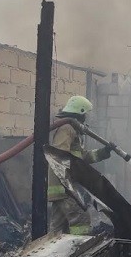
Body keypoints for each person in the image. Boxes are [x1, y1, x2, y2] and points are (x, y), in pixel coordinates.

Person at [47, 96, 114, 235]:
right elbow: (59, 156)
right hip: (65, 186)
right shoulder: (67, 128)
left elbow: (82, 157)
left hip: (64, 187)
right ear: (80, 112)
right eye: (85, 114)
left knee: (58, 229)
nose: (86, 117)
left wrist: (103, 152)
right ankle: (81, 251)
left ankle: (51, 254)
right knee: (81, 220)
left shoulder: (73, 130)